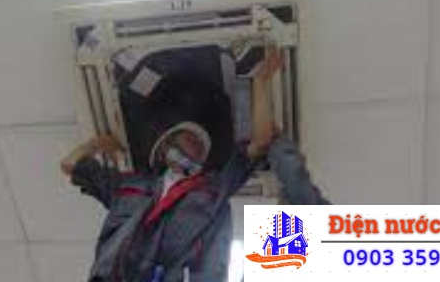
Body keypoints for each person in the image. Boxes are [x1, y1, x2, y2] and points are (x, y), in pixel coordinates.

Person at [60, 49, 284, 282]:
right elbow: (70, 164)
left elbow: (260, 144)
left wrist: (260, 82)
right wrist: (101, 143)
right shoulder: (127, 186)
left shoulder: (213, 186)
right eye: (190, 139)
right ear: (166, 147)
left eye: (200, 145)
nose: (197, 145)